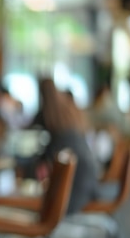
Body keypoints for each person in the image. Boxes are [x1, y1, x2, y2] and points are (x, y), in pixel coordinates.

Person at [30, 78, 99, 214]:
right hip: (87, 189)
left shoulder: (59, 135)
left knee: (0, 198)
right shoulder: (68, 121)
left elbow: (42, 164)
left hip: (73, 199)